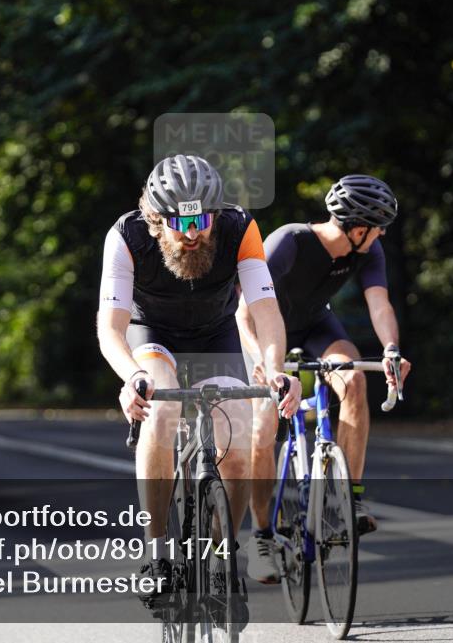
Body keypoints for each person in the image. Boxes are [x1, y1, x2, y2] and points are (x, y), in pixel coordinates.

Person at [96, 154, 302, 598]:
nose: (192, 235)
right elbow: (110, 328)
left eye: (202, 222)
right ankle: (156, 553)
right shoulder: (127, 235)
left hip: (215, 333)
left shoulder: (239, 227)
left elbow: (265, 310)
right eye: (179, 225)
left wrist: (275, 366)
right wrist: (132, 378)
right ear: (156, 218)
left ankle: (221, 551)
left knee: (240, 450)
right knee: (162, 412)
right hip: (152, 333)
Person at [236, 174, 412, 583]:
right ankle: (262, 536)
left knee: (353, 380)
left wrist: (390, 350)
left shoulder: (369, 250)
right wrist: (262, 360)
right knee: (263, 427)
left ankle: (346, 500)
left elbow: (380, 303)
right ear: (356, 228)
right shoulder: (290, 241)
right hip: (264, 331)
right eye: (377, 225)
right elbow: (244, 311)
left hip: (315, 326)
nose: (382, 232)